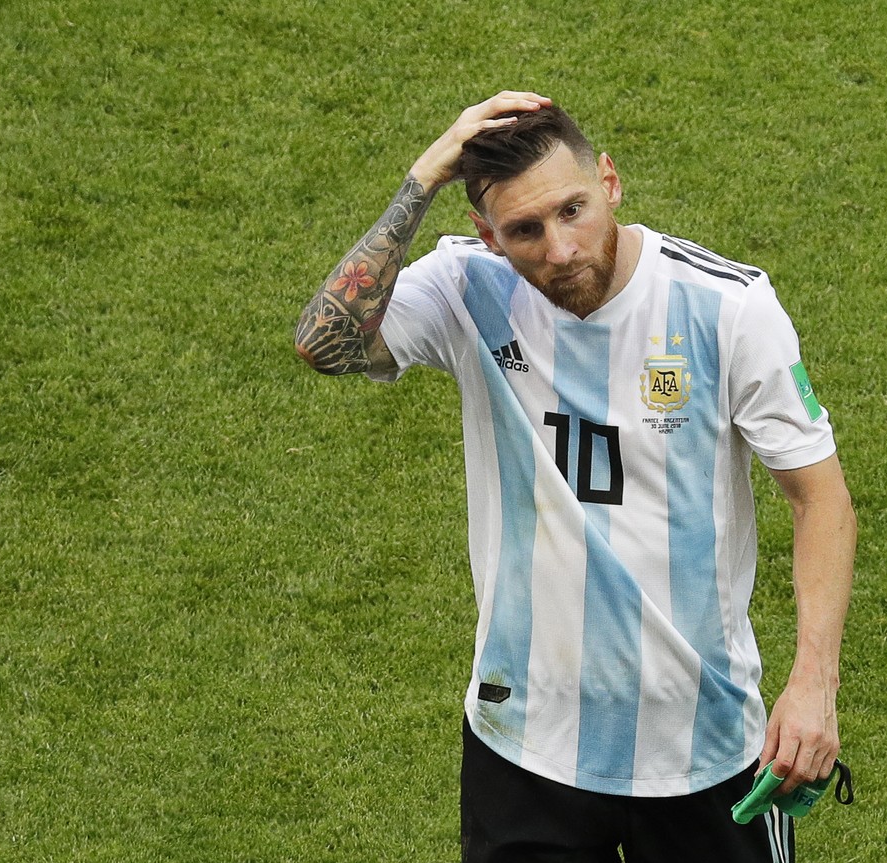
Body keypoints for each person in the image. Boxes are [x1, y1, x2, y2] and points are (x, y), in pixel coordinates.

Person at [295, 91, 857, 863]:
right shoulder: (466, 288)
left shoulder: (725, 306)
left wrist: (813, 685)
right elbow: (324, 343)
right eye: (525, 229)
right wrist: (425, 173)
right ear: (487, 236)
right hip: (527, 743)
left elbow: (818, 496)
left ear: (611, 182)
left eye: (573, 209)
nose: (560, 249)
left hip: (703, 743)